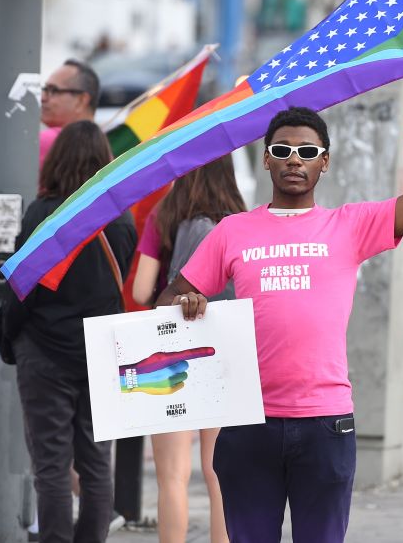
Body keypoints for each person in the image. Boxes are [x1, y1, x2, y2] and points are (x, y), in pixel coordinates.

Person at [156, 60, 403, 542]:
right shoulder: (233, 231)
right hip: (247, 423)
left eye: (307, 151)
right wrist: (187, 303)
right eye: (283, 150)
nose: (295, 159)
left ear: (324, 161)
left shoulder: (352, 225)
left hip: (325, 424)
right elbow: (170, 299)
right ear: (266, 160)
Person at [4, 120, 137, 543]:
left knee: (51, 465)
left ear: (58, 158)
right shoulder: (120, 218)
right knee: (97, 462)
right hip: (101, 351)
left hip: (45, 353)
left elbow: (21, 290)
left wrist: (9, 337)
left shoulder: (43, 214)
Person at [132, 156, 247, 543]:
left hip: (170, 352)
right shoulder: (240, 220)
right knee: (221, 475)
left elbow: (140, 291)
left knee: (171, 476)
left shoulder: (164, 216)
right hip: (223, 349)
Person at [40, 58, 100, 166]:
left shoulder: (47, 141)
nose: (43, 98)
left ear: (81, 100)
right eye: (45, 89)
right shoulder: (104, 150)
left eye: (53, 90)